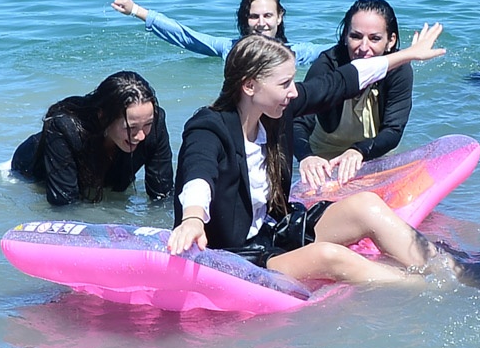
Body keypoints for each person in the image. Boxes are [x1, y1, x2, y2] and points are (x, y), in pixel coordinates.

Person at [166, 29, 451, 285]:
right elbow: (198, 173)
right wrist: (192, 219)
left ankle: (448, 270)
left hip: (272, 232)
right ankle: (429, 288)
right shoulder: (209, 126)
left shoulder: (274, 111)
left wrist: (408, 55)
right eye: (285, 83)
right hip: (233, 257)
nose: (294, 91)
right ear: (250, 85)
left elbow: (340, 82)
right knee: (329, 256)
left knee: (366, 205)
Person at [293, 0, 414, 190]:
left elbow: (393, 130)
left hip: (372, 154)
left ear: (390, 41)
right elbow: (297, 121)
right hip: (322, 160)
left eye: (374, 38)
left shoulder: (399, 70)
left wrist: (359, 151)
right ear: (345, 36)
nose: (364, 47)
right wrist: (306, 157)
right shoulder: (327, 66)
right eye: (356, 36)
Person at [11, 71, 173, 208]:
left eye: (147, 124)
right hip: (29, 169)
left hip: (104, 167)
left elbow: (162, 193)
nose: (141, 136)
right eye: (131, 127)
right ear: (103, 117)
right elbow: (63, 204)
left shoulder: (155, 123)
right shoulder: (64, 128)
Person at [111, 0, 316, 65]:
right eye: (254, 16)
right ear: (245, 20)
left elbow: (333, 52)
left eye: (268, 15)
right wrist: (135, 10)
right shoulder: (230, 48)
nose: (261, 23)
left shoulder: (298, 53)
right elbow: (186, 36)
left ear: (279, 18)